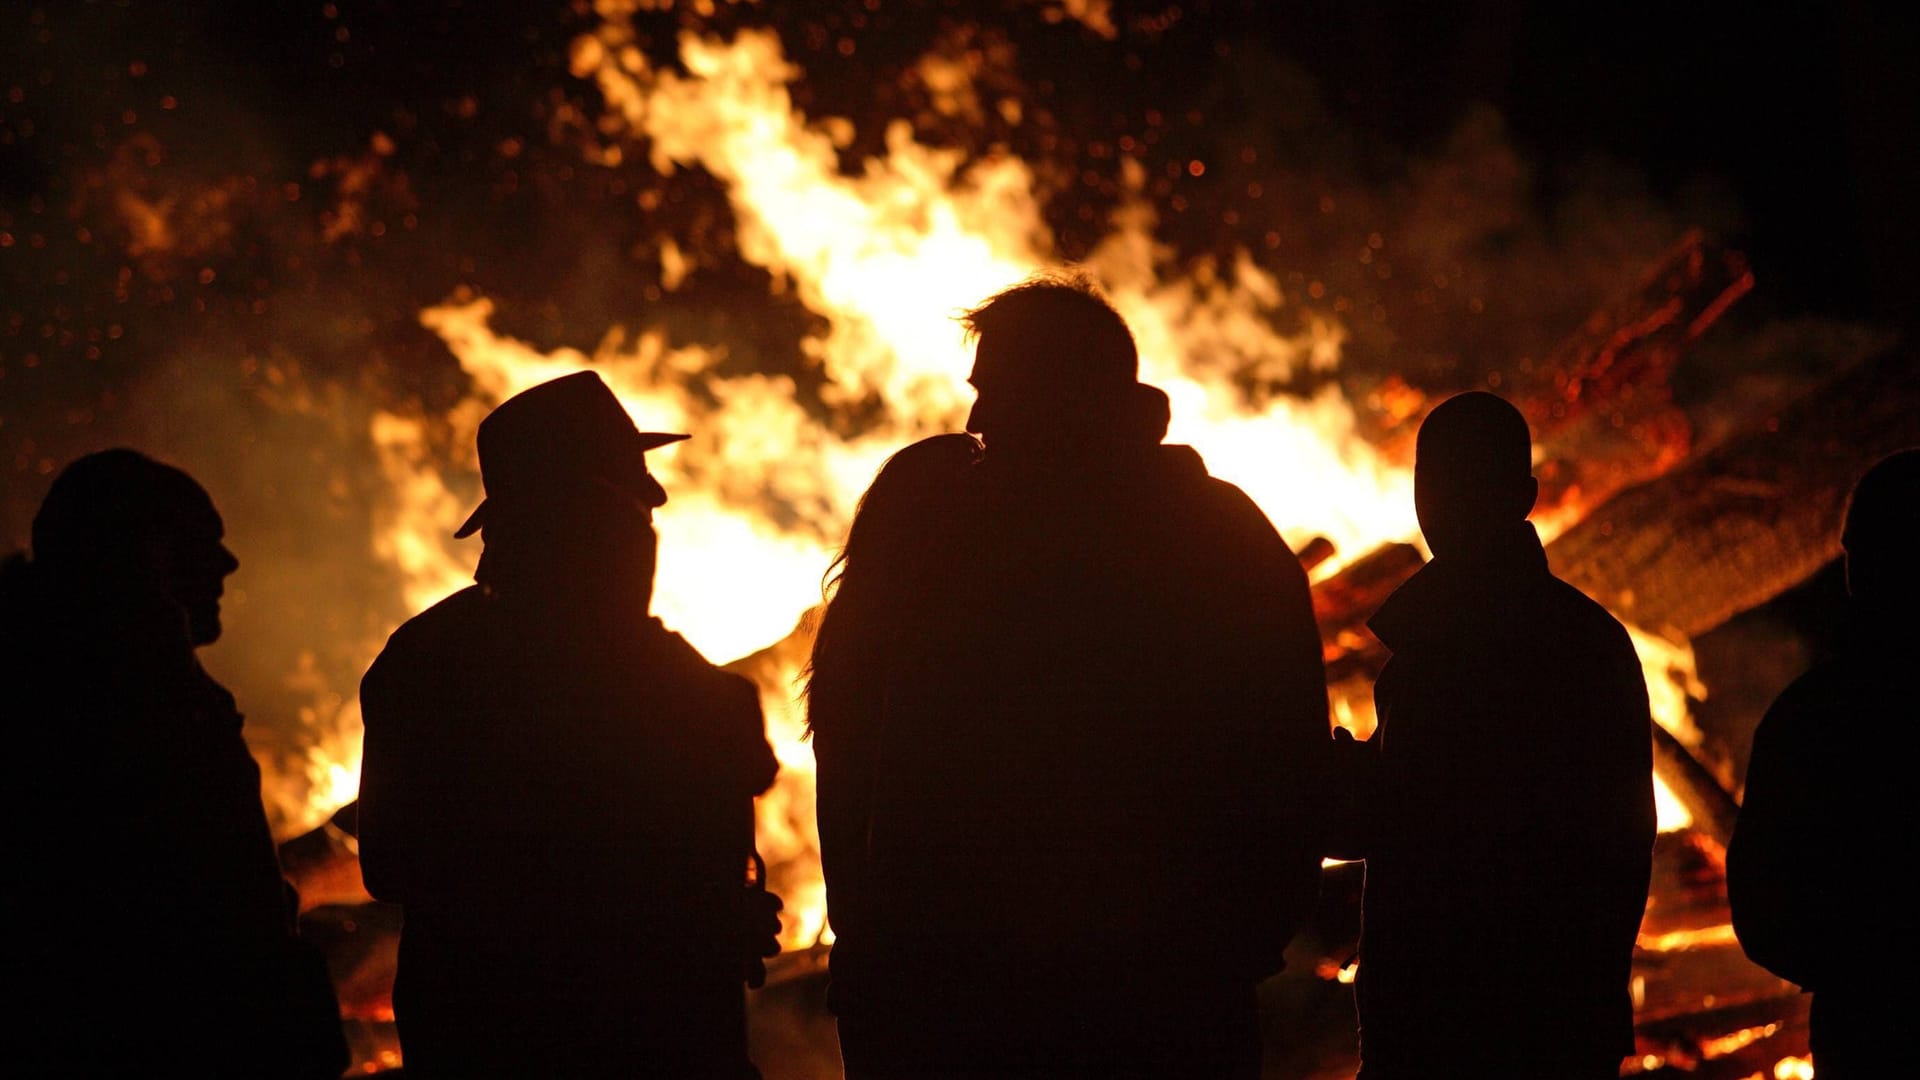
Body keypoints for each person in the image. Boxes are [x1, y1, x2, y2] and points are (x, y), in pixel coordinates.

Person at [812, 275, 1328, 1078]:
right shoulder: (1222, 536)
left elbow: (1282, 767)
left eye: (997, 392)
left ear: (1066, 395)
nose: (977, 420)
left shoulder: (983, 554)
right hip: (1123, 1006)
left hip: (1087, 1011)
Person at [356, 372, 781, 1077]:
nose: (655, 504)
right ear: (573, 510)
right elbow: (404, 864)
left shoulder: (424, 656)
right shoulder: (661, 682)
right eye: (630, 490)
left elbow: (394, 866)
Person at [1333, 392, 1655, 1079]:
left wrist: (1340, 788)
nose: (1441, 503)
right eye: (1431, 481)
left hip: (1456, 1029)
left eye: (1460, 481)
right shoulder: (1588, 640)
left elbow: (1430, 824)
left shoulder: (1455, 647)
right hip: (1558, 1025)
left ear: (1524, 496)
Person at [0, 449, 347, 1078]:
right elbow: (199, 917)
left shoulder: (76, 692)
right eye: (203, 542)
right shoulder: (129, 711)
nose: (228, 563)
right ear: (141, 556)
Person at [1728, 448, 1919, 1079]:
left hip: (1865, 1030)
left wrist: (1853, 966)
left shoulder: (1811, 718)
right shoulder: (1809, 717)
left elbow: (1763, 911)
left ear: (1855, 570)